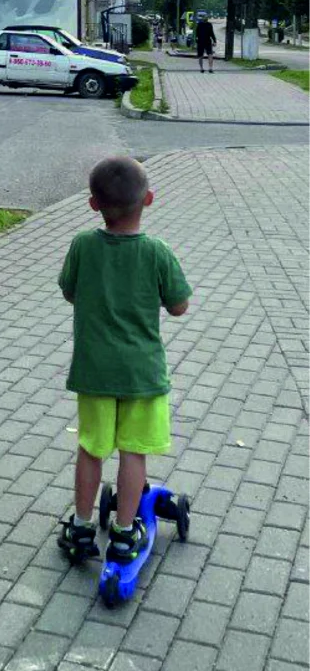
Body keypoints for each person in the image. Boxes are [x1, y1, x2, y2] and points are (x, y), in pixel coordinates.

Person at [57, 156, 192, 564]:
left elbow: (70, 291)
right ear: (148, 199)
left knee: (91, 448)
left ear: (93, 204)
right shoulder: (156, 252)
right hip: (141, 375)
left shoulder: (82, 245)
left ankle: (81, 527)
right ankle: (123, 533)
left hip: (94, 372)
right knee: (133, 452)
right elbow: (179, 306)